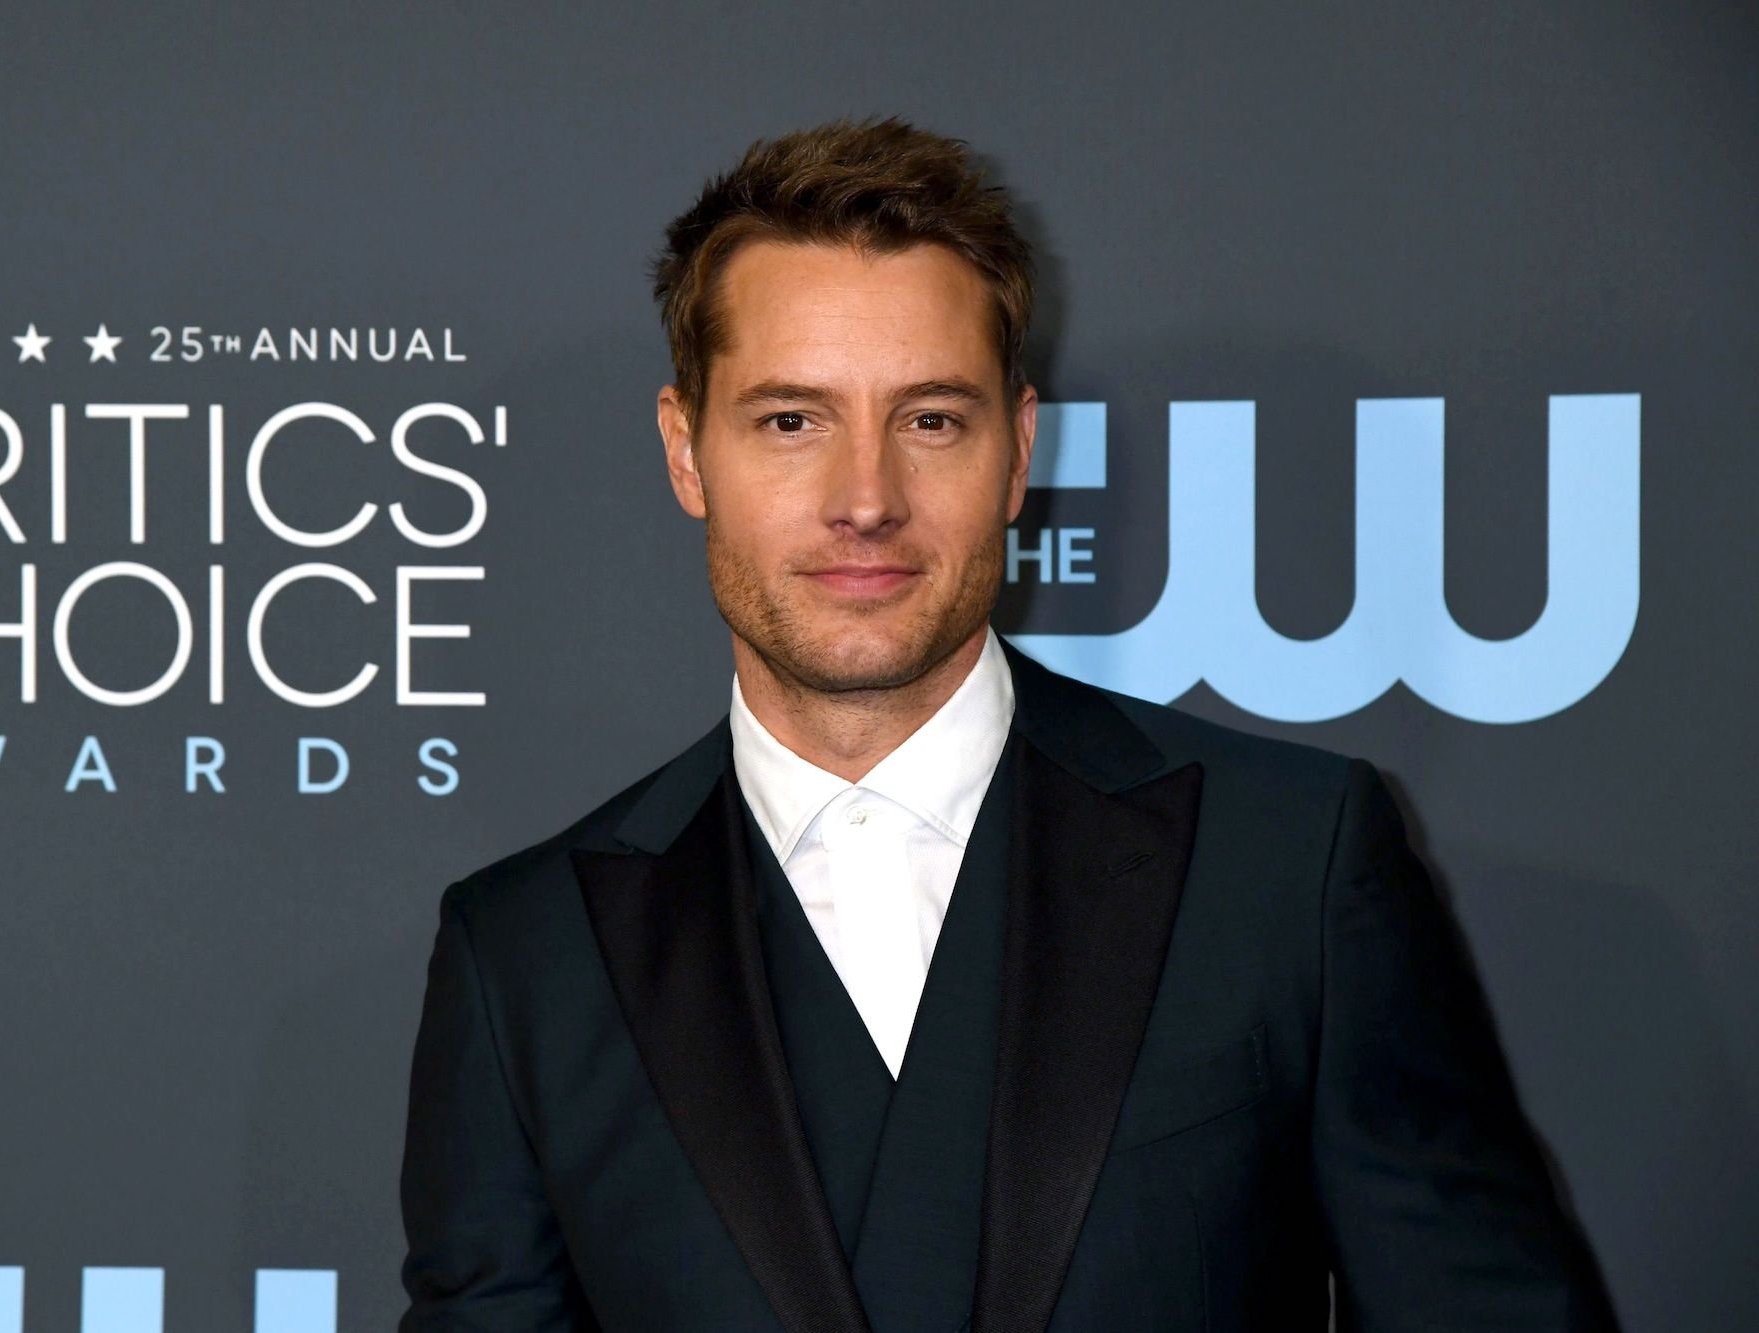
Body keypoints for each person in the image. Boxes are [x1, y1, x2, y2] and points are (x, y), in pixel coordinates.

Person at [397, 118, 1617, 1331]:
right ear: (684, 450)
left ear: (1018, 450)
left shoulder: (1287, 861)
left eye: (929, 419)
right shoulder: (528, 957)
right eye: (790, 421)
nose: (864, 499)